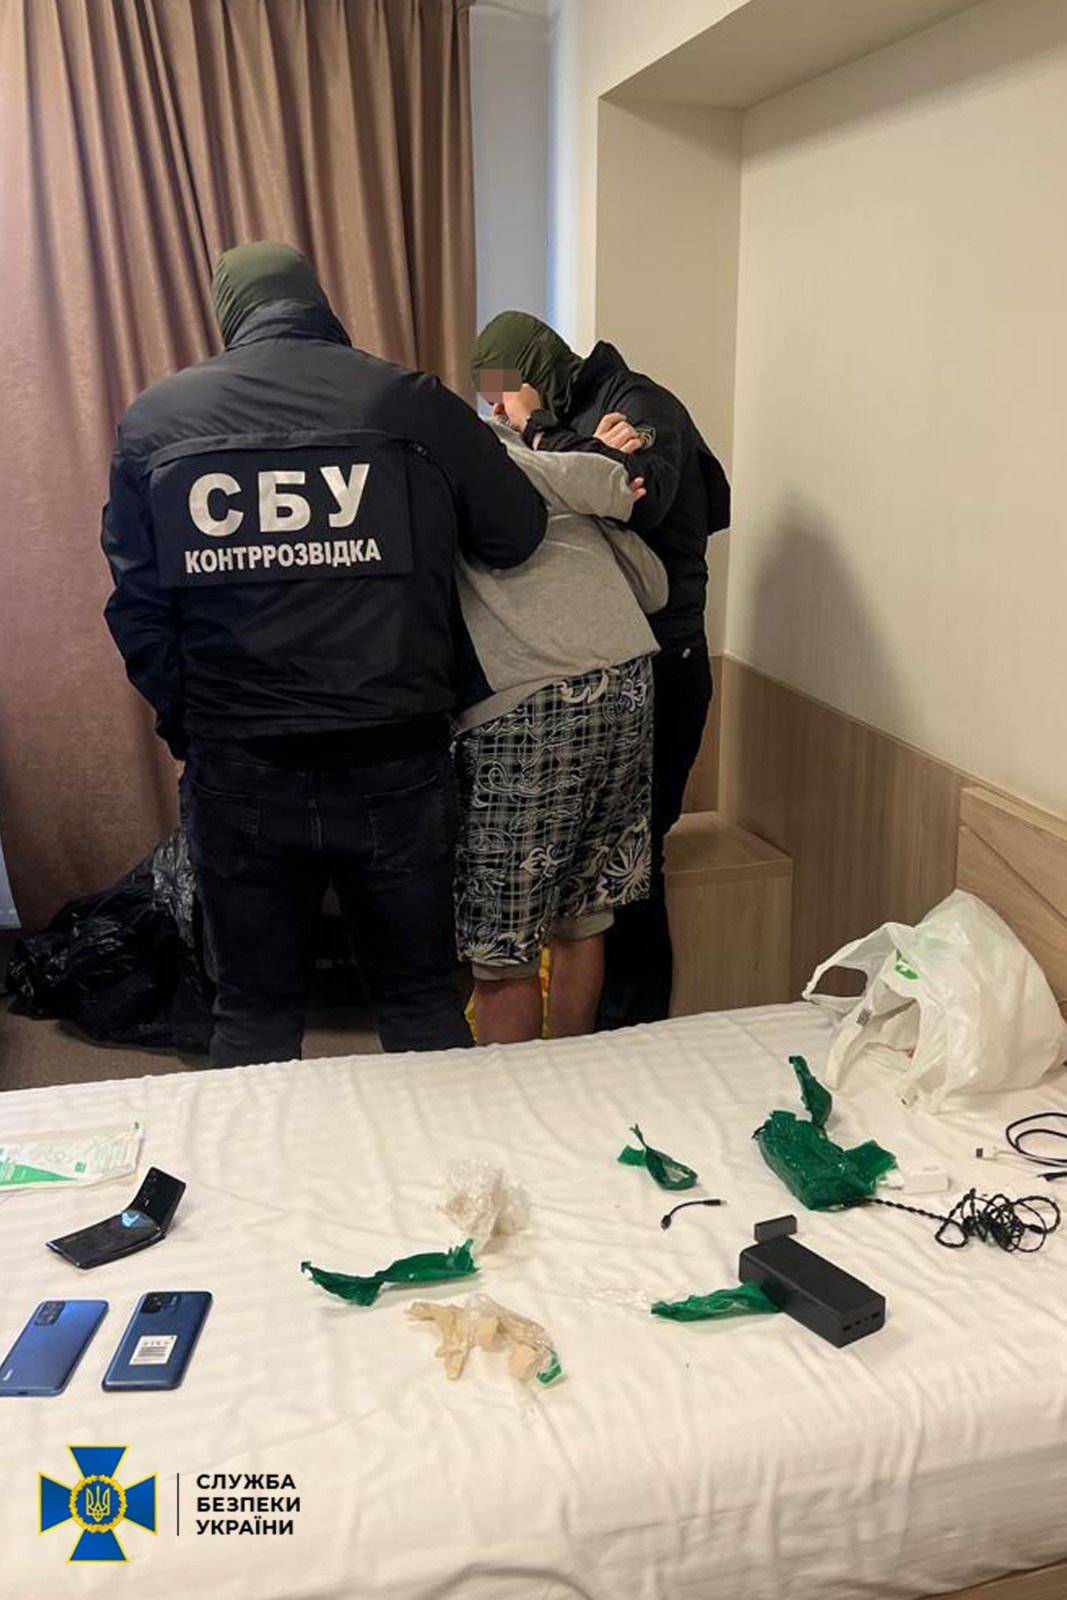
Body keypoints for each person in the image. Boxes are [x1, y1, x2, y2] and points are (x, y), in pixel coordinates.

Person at [102, 243, 546, 1066]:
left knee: (252, 1015)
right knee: (419, 1005)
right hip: (395, 754)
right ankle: (448, 1157)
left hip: (240, 759)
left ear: (230, 311)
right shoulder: (408, 400)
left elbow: (137, 608)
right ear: (317, 300)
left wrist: (192, 726)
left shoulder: (158, 420)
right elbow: (516, 533)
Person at [471, 313, 730, 1028]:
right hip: (620, 662)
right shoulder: (582, 415)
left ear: (531, 372)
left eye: (503, 398)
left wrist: (545, 435)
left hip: (663, 660)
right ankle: (600, 1039)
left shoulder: (640, 404)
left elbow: (635, 491)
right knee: (596, 888)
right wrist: (580, 450)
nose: (502, 415)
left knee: (631, 873)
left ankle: (629, 1032)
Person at [454, 393, 667, 1045]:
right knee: (584, 912)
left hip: (536, 693)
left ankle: (513, 1101)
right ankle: (571, 1083)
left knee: (505, 947)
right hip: (627, 674)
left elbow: (609, 484)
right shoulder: (537, 462)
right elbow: (653, 585)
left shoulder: (463, 453)